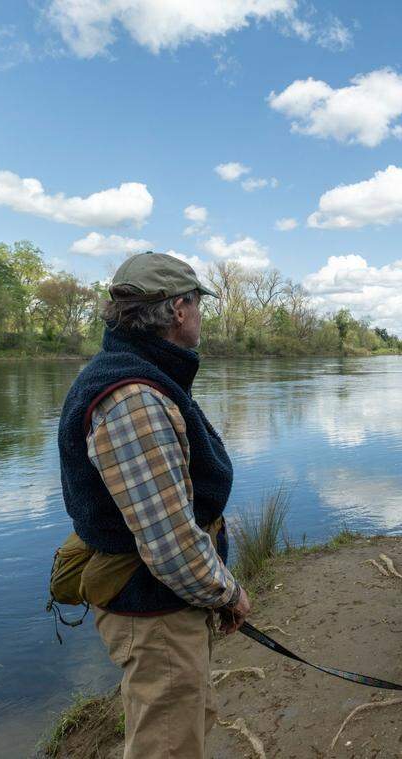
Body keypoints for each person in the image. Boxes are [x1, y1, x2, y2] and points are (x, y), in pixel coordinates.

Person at [56, 252, 250, 759]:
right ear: (179, 310)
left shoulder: (141, 374)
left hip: (163, 604)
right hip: (155, 611)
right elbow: (169, 543)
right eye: (198, 305)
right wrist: (225, 593)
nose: (202, 316)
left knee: (185, 722)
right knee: (167, 744)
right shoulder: (134, 396)